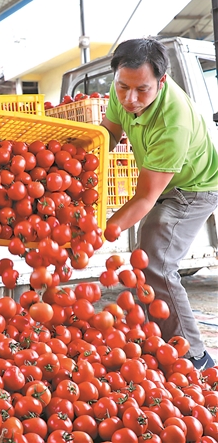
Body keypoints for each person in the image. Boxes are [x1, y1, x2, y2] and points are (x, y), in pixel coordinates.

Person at [101, 38, 218, 370]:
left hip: (195, 187)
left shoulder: (173, 122)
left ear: (161, 81)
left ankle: (196, 356)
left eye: (142, 90)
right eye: (123, 87)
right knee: (145, 262)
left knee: (155, 261)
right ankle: (160, 343)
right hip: (163, 180)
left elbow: (145, 197)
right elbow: (108, 136)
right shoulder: (123, 88)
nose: (130, 99)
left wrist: (102, 229)